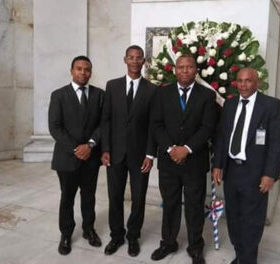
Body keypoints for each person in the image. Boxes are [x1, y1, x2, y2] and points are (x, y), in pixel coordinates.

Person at [150, 54, 218, 264]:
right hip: (168, 161)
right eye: (181, 67)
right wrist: (171, 149)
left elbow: (208, 127)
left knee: (194, 205)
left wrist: (186, 149)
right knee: (169, 203)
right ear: (175, 70)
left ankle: (195, 245)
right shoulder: (162, 93)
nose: (185, 71)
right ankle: (168, 242)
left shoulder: (207, 95)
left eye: (189, 67)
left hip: (195, 162)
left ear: (195, 70)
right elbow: (157, 124)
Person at [212, 68, 280, 264]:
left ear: (257, 82)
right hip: (232, 171)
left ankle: (248, 259)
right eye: (240, 81)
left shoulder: (271, 106)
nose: (243, 85)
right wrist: (217, 165)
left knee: (252, 219)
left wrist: (270, 174)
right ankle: (241, 253)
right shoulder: (230, 104)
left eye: (248, 81)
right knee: (234, 217)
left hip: (256, 172)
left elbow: (276, 143)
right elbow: (222, 137)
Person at [100, 45, 157, 257]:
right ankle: (117, 235)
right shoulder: (112, 86)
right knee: (114, 196)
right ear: (125, 60)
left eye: (139, 58)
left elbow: (154, 125)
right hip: (114, 153)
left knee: (139, 197)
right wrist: (105, 149)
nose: (134, 61)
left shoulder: (152, 90)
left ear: (144, 61)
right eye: (131, 57)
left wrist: (150, 154)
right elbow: (105, 120)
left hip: (140, 156)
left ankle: (133, 236)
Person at [48, 55, 104, 255]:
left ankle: (89, 229)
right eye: (79, 69)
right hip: (67, 157)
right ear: (71, 71)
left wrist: (89, 145)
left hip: (91, 156)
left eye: (87, 69)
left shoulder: (99, 95)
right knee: (67, 197)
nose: (83, 72)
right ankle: (66, 234)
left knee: (89, 196)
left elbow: (102, 124)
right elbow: (55, 127)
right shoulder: (59, 95)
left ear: (91, 72)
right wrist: (76, 148)